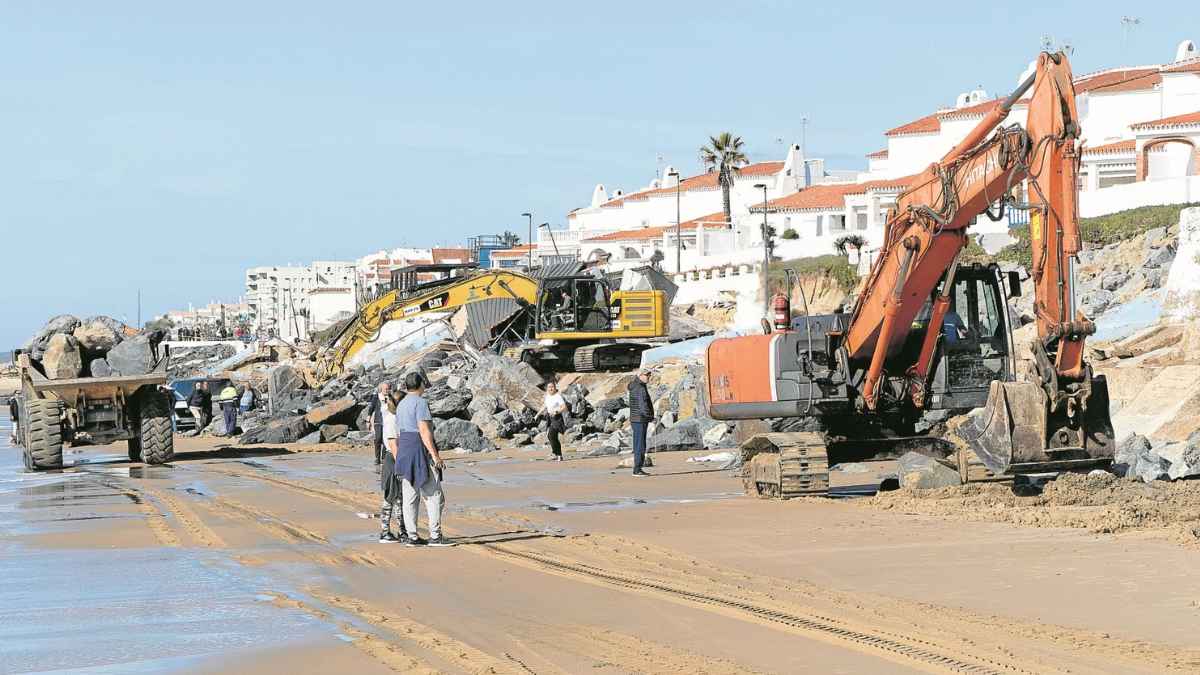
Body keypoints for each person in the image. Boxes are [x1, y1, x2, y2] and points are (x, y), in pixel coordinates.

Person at [394, 371, 452, 547]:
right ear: (421, 384)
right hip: (418, 448)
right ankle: (435, 535)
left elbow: (398, 432)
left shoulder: (401, 404)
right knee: (434, 494)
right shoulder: (421, 403)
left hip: (404, 448)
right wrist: (435, 456)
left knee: (410, 496)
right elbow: (424, 431)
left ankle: (412, 536)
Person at [376, 386, 409, 543]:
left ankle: (401, 531)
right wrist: (400, 465)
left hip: (394, 458)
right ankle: (386, 531)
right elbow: (393, 443)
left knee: (398, 498)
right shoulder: (391, 419)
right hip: (392, 459)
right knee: (391, 497)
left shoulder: (393, 415)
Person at [627, 368, 655, 477]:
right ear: (640, 375)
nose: (649, 377)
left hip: (636, 419)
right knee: (640, 445)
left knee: (638, 444)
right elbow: (643, 405)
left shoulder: (635, 385)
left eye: (649, 375)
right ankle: (637, 469)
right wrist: (650, 417)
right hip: (640, 419)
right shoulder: (639, 387)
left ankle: (638, 468)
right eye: (647, 375)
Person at [540, 380, 568, 461]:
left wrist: (556, 412)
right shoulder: (547, 396)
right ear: (547, 389)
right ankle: (557, 454)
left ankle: (557, 454)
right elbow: (545, 406)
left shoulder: (558, 396)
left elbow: (564, 407)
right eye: (549, 387)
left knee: (552, 434)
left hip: (557, 418)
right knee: (551, 436)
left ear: (555, 388)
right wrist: (537, 414)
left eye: (552, 387)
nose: (551, 388)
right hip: (549, 418)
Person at [367, 382, 392, 470]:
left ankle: (383, 458)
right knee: (378, 438)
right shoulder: (376, 397)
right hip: (378, 421)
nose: (387, 390)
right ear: (381, 389)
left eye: (388, 388)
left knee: (386, 440)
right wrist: (368, 420)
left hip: (388, 422)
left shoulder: (390, 397)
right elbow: (371, 408)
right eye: (385, 389)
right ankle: (377, 457)